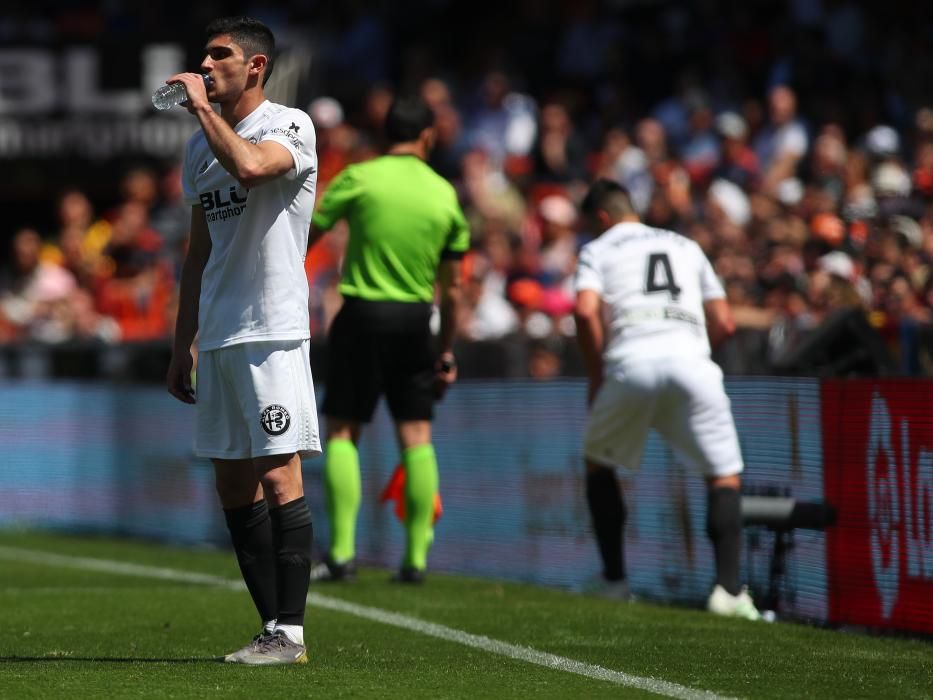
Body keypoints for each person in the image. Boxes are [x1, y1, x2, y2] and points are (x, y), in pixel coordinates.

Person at [164, 16, 320, 665]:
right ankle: (271, 629)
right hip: (222, 335)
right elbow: (198, 252)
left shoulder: (290, 124)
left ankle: (293, 632)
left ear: (254, 67)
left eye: (219, 54)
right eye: (203, 54)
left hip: (271, 333)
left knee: (280, 476)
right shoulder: (199, 151)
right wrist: (181, 343)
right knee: (233, 488)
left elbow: (253, 168)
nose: (205, 63)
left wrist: (201, 108)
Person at [572, 179, 760, 620]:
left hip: (629, 362)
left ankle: (615, 582)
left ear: (601, 218)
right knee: (723, 475)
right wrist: (691, 350)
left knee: (599, 462)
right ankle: (729, 592)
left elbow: (583, 310)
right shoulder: (686, 245)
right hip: (691, 362)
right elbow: (726, 322)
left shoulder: (598, 250)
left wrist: (597, 372)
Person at [307, 95, 468, 584]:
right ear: (428, 136)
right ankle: (416, 558)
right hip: (417, 320)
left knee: (342, 432)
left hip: (361, 314)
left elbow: (307, 230)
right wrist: (446, 350)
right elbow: (455, 287)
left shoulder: (360, 176)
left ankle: (341, 554)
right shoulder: (444, 193)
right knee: (416, 437)